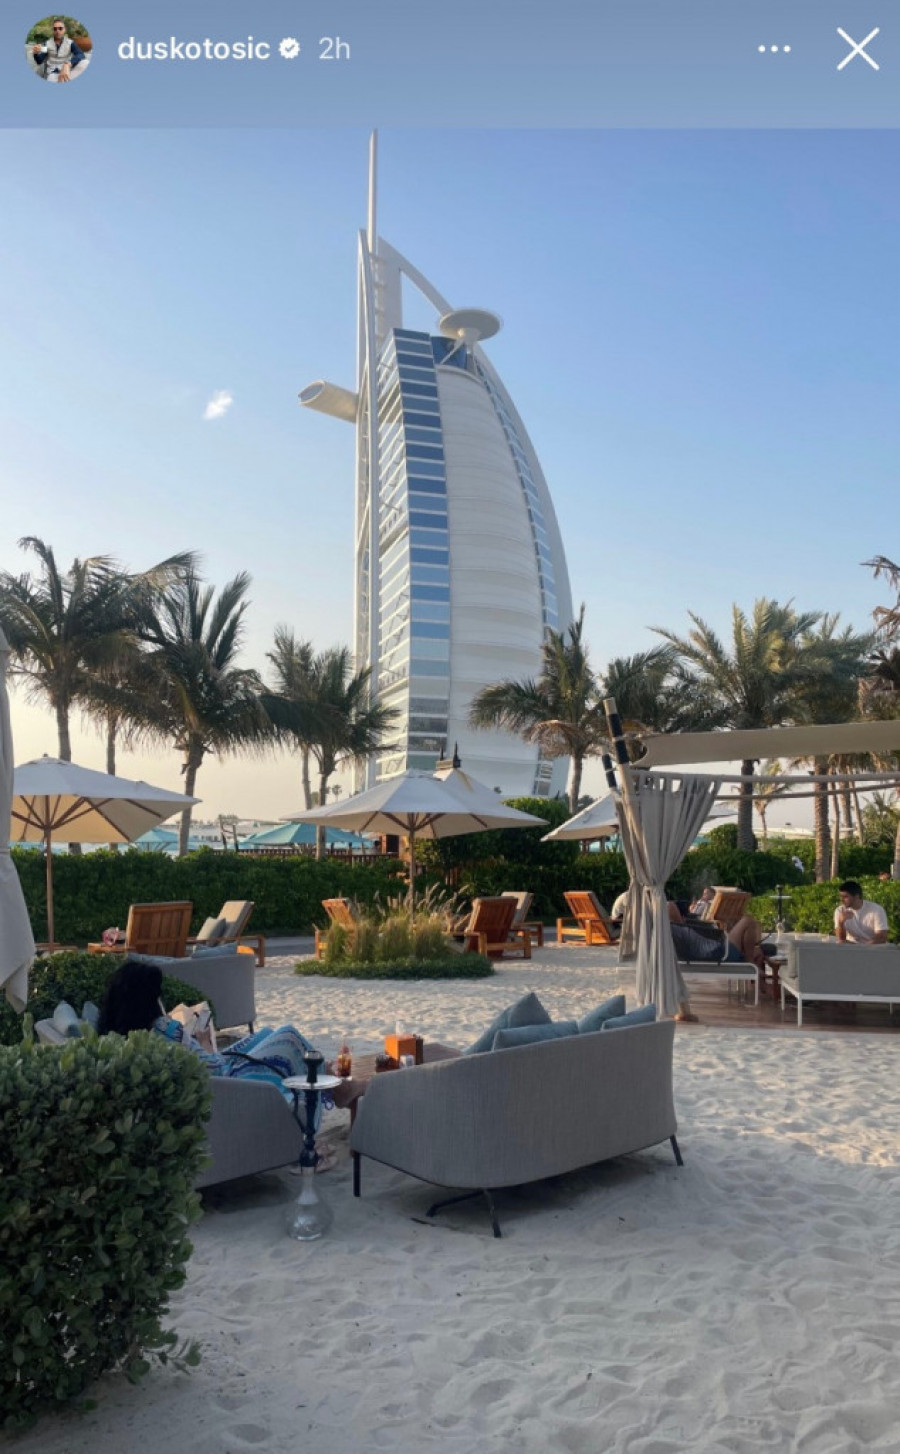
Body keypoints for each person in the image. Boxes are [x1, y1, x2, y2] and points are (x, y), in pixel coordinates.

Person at [97, 960, 321, 1104]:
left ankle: (324, 1072)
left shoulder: (117, 1035)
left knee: (266, 1034)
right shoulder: (166, 1030)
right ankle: (324, 1079)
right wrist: (205, 1043)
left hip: (216, 1071)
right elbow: (215, 1069)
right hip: (229, 1078)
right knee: (287, 1035)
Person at [668, 900, 772, 973]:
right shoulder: (675, 927)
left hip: (717, 949)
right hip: (719, 952)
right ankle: (750, 960)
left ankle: (751, 959)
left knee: (748, 927)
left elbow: (671, 908)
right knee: (748, 921)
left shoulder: (672, 930)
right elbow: (670, 906)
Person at [833, 881, 888, 945]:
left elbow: (881, 937)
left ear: (857, 896)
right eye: (841, 896)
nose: (841, 900)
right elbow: (841, 939)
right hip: (852, 945)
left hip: (872, 946)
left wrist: (863, 947)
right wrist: (840, 923)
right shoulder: (840, 910)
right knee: (841, 943)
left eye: (845, 897)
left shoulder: (876, 909)